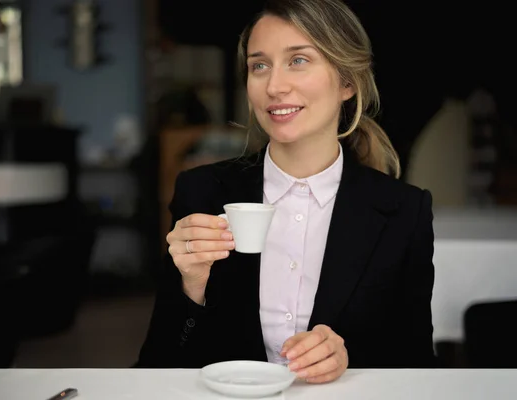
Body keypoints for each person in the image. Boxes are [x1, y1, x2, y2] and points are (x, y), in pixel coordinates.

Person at [136, 0, 436, 383]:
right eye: (259, 65)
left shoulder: (404, 211)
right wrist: (191, 287)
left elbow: (417, 368)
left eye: (298, 60)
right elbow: (155, 368)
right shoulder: (201, 191)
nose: (274, 87)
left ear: (347, 82)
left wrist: (349, 358)